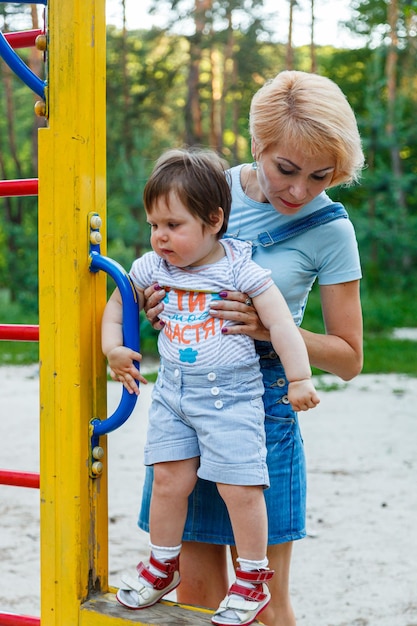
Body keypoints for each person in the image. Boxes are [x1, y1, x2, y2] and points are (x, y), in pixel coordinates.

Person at [139, 71, 365, 626]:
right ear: (258, 144)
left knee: (262, 604)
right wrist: (156, 304)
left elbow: (349, 359)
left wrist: (271, 328)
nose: (300, 191)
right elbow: (165, 258)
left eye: (321, 176)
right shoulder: (205, 188)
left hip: (264, 410)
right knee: (195, 595)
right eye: (287, 169)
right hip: (187, 407)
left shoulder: (332, 231)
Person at [102, 147, 320, 626]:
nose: (160, 237)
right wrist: (113, 348)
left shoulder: (241, 270)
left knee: (240, 489)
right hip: (174, 398)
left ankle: (253, 577)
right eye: (154, 225)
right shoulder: (153, 268)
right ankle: (162, 562)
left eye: (173, 226)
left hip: (232, 400)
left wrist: (300, 377)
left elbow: (281, 325)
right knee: (167, 480)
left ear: (214, 220)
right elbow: (117, 305)